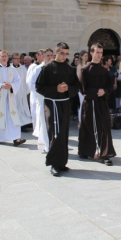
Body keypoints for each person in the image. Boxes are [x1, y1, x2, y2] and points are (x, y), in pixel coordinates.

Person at [36, 43, 81, 176]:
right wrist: (56, 89)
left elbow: (76, 86)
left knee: (63, 133)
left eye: (66, 53)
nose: (64, 56)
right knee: (54, 133)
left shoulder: (69, 68)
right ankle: (54, 163)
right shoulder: (47, 68)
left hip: (65, 103)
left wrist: (68, 89)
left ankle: (62, 163)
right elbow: (39, 87)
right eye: (62, 53)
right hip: (52, 104)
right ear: (56, 52)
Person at [78, 43, 116, 165]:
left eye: (101, 52)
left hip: (101, 102)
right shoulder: (84, 70)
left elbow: (110, 86)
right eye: (97, 52)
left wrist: (104, 91)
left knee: (104, 126)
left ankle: (105, 154)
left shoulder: (105, 70)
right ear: (91, 53)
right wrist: (95, 92)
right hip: (90, 102)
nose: (99, 55)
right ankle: (86, 150)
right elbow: (82, 88)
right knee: (89, 126)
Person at [0, 50, 26, 146]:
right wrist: (0, 86)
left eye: (5, 56)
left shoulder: (12, 69)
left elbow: (18, 80)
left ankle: (16, 138)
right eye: (2, 56)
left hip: (9, 97)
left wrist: (11, 86)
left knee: (12, 117)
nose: (4, 58)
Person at [27, 49, 52, 152]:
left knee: (50, 122)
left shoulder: (55, 68)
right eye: (47, 55)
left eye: (51, 55)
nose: (50, 57)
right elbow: (31, 84)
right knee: (43, 122)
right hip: (42, 99)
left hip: (52, 99)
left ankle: (50, 143)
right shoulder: (37, 69)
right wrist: (42, 93)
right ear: (42, 56)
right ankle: (45, 144)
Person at [11, 53, 32, 131]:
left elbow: (26, 80)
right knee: (14, 108)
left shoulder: (23, 69)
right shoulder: (9, 68)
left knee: (22, 108)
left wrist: (26, 90)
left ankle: (23, 125)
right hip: (13, 92)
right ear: (12, 59)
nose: (17, 60)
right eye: (15, 58)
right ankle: (14, 124)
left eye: (18, 58)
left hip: (22, 91)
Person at [76, 50, 89, 124]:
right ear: (81, 57)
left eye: (87, 56)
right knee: (82, 103)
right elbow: (79, 78)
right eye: (85, 56)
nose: (86, 57)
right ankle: (81, 120)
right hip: (81, 87)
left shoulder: (87, 64)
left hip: (87, 86)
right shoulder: (80, 66)